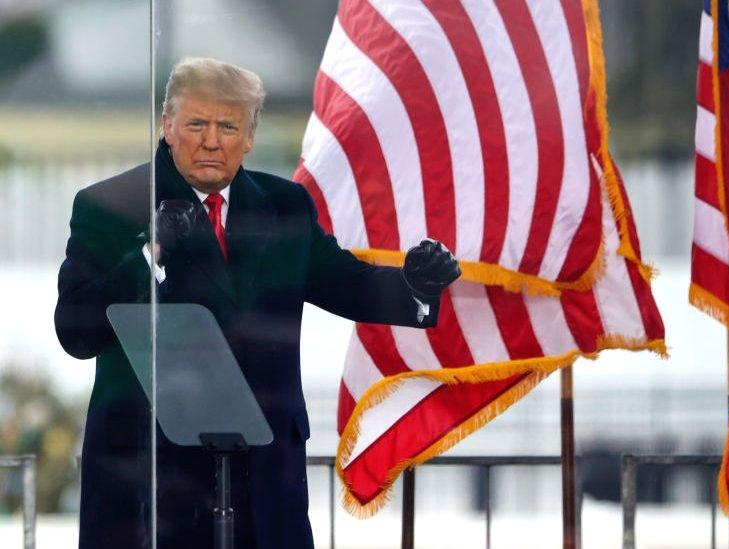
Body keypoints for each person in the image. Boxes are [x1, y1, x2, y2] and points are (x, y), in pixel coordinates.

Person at [54, 57, 460, 549]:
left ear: (249, 135)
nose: (211, 140)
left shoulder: (284, 205)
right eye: (196, 124)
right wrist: (148, 252)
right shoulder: (112, 204)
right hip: (152, 479)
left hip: (263, 474)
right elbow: (76, 331)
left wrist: (414, 285)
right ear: (167, 126)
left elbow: (343, 281)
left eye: (228, 126)